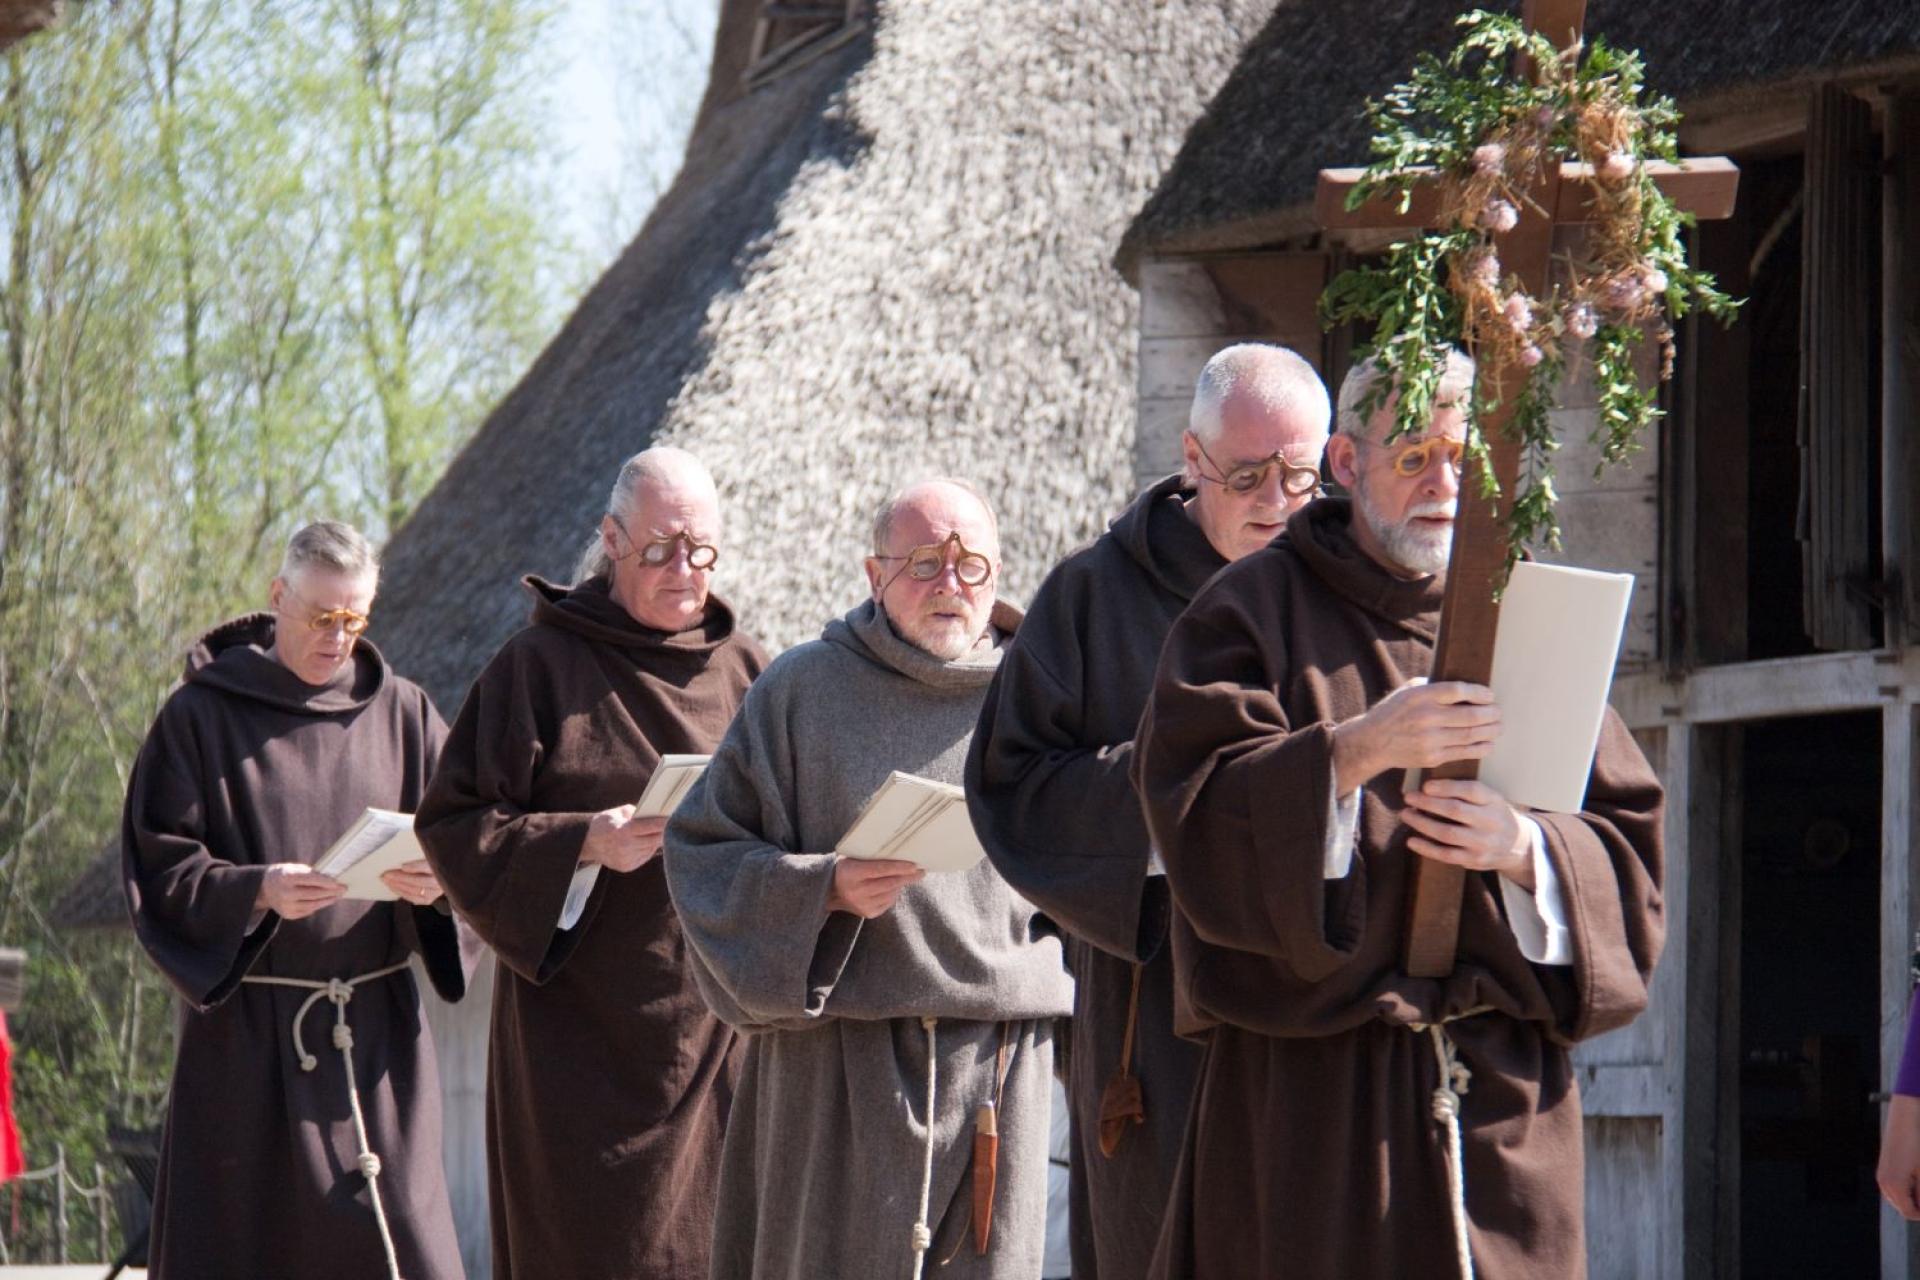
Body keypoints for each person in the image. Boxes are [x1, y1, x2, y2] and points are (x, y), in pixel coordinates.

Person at [1133, 353, 1666, 1279]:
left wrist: (1526, 850)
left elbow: (1628, 853)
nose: (1444, 485)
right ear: (1344, 462)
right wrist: (1349, 755)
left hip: (1504, 1108)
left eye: (1461, 458)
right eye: (1414, 457)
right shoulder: (1249, 613)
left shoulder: (1531, 611)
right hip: (1312, 1110)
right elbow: (1196, 813)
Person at [965, 343, 1330, 1280]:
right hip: (1155, 1014)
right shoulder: (1095, 594)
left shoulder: (1346, 590)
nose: (1277, 499)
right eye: (1248, 474)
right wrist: (1176, 791)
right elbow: (1010, 783)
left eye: (1299, 473)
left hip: (1326, 995)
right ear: (1193, 458)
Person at [663, 478, 1074, 1280]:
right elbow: (700, 850)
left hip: (994, 1067)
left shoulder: (1043, 696)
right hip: (834, 1074)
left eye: (971, 565)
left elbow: (1096, 861)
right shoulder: (801, 691)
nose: (951, 585)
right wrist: (825, 890)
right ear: (872, 574)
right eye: (925, 563)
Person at [415, 447, 767, 1280]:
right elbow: (454, 824)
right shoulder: (538, 670)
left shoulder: (748, 671)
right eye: (660, 548)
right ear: (611, 540)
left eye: (701, 549)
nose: (685, 569)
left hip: (716, 1034)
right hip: (575, 1049)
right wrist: (582, 843)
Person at [121, 520, 474, 1280]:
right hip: (245, 1048)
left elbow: (469, 844)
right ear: (278, 596)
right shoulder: (200, 718)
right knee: (251, 1251)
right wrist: (257, 892)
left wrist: (436, 888)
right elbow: (157, 868)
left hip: (375, 1042)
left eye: (354, 619)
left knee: (405, 1247)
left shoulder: (404, 714)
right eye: (321, 616)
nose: (338, 637)